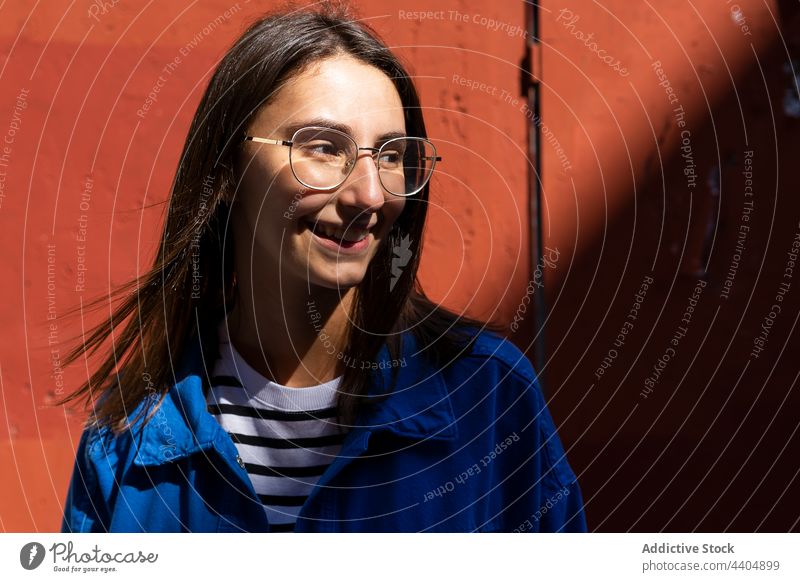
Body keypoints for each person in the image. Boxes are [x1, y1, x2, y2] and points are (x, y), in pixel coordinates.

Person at [58, 2, 587, 533]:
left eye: (389, 155)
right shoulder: (129, 449)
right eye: (323, 148)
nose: (371, 195)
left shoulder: (489, 403)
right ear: (225, 171)